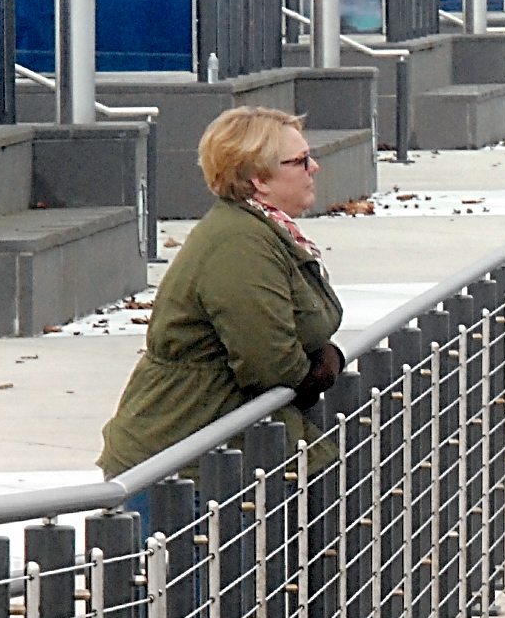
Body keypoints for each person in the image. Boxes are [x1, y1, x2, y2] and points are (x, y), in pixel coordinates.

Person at [99, 107, 345, 504]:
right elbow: (270, 364)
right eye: (299, 161)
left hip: (212, 458)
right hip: (181, 467)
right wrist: (321, 368)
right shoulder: (239, 244)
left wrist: (323, 357)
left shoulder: (264, 232)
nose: (313, 167)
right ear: (258, 180)